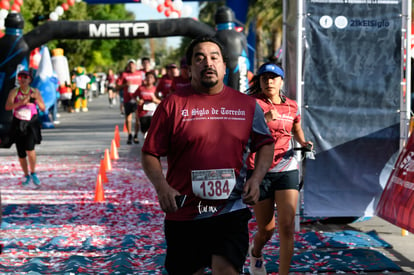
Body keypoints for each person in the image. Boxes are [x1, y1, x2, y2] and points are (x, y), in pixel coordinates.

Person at [141, 36, 275, 275]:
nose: (208, 63)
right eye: (199, 58)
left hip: (230, 211)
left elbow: (265, 144)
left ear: (224, 66)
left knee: (226, 270)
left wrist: (256, 179)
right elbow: (150, 153)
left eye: (214, 57)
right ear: (190, 69)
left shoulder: (246, 105)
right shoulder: (172, 104)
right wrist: (162, 187)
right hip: (184, 213)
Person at [246, 62, 313, 275]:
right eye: (264, 78)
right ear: (259, 82)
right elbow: (241, 135)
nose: (269, 82)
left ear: (281, 81)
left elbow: (296, 127)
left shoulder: (292, 105)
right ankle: (255, 252)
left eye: (273, 78)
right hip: (259, 171)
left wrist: (303, 142)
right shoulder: (251, 104)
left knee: (286, 226)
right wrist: (263, 120)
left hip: (286, 167)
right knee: (267, 230)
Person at [5, 70, 46, 186]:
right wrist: (21, 103)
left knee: (30, 149)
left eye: (25, 77)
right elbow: (7, 107)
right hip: (18, 123)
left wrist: (36, 101)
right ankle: (26, 175)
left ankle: (33, 172)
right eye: (20, 77)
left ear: (30, 79)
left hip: (31, 123)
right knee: (21, 152)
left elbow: (43, 108)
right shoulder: (14, 92)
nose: (23, 80)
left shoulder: (35, 91)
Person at [116, 59, 144, 144]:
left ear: (135, 66)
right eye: (130, 65)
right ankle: (129, 135)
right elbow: (117, 86)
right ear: (128, 66)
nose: (131, 67)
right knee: (128, 119)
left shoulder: (140, 74)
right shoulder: (124, 74)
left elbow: (145, 83)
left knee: (138, 118)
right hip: (128, 99)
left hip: (137, 99)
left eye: (133, 65)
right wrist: (125, 85)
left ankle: (135, 135)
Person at [135, 71, 160, 139]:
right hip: (143, 112)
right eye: (148, 77)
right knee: (144, 130)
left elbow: (161, 101)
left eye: (151, 77)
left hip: (153, 112)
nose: (149, 79)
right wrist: (138, 101)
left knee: (153, 129)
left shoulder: (156, 89)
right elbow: (135, 97)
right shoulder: (141, 88)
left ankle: (150, 143)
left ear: (154, 80)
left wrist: (155, 100)